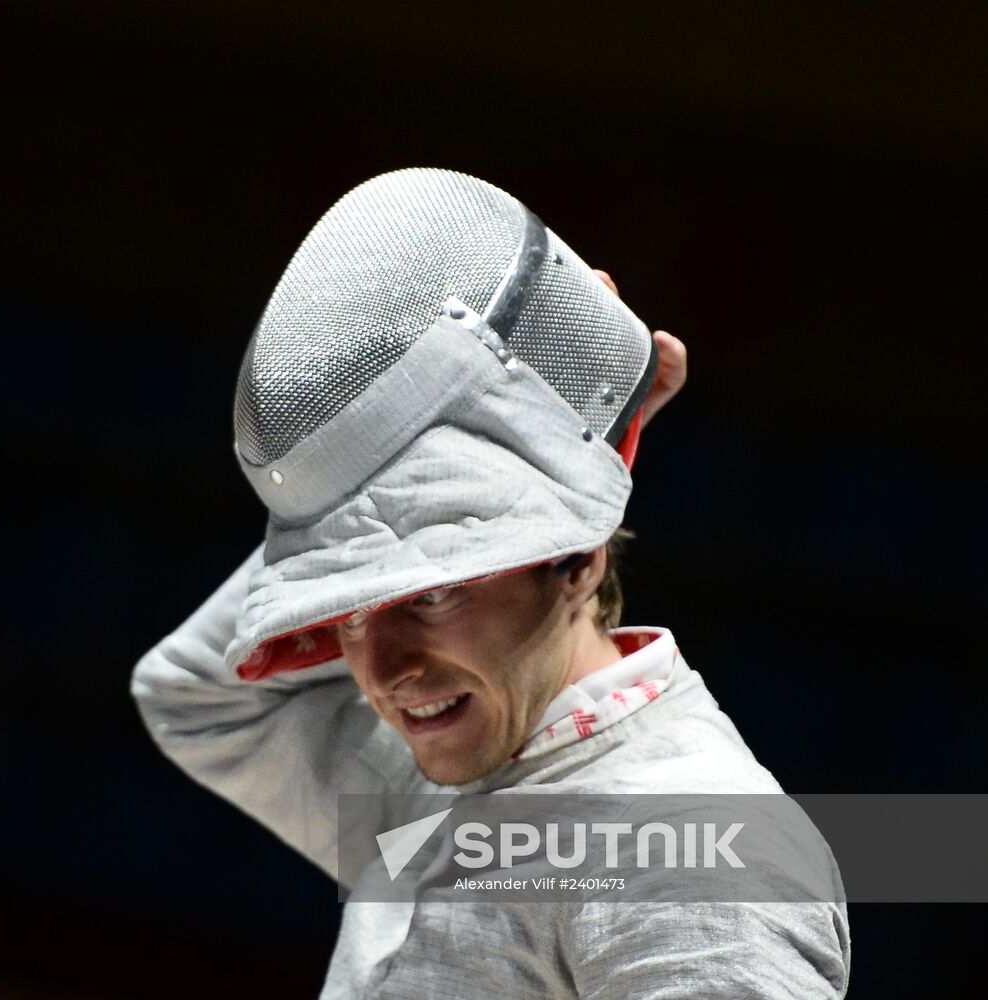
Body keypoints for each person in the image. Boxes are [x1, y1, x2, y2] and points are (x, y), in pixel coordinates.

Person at [132, 168, 850, 997]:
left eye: (433, 594)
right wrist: (555, 438)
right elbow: (194, 695)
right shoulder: (442, 762)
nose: (383, 671)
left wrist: (574, 464)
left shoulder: (695, 850)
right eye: (344, 615)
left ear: (579, 561)